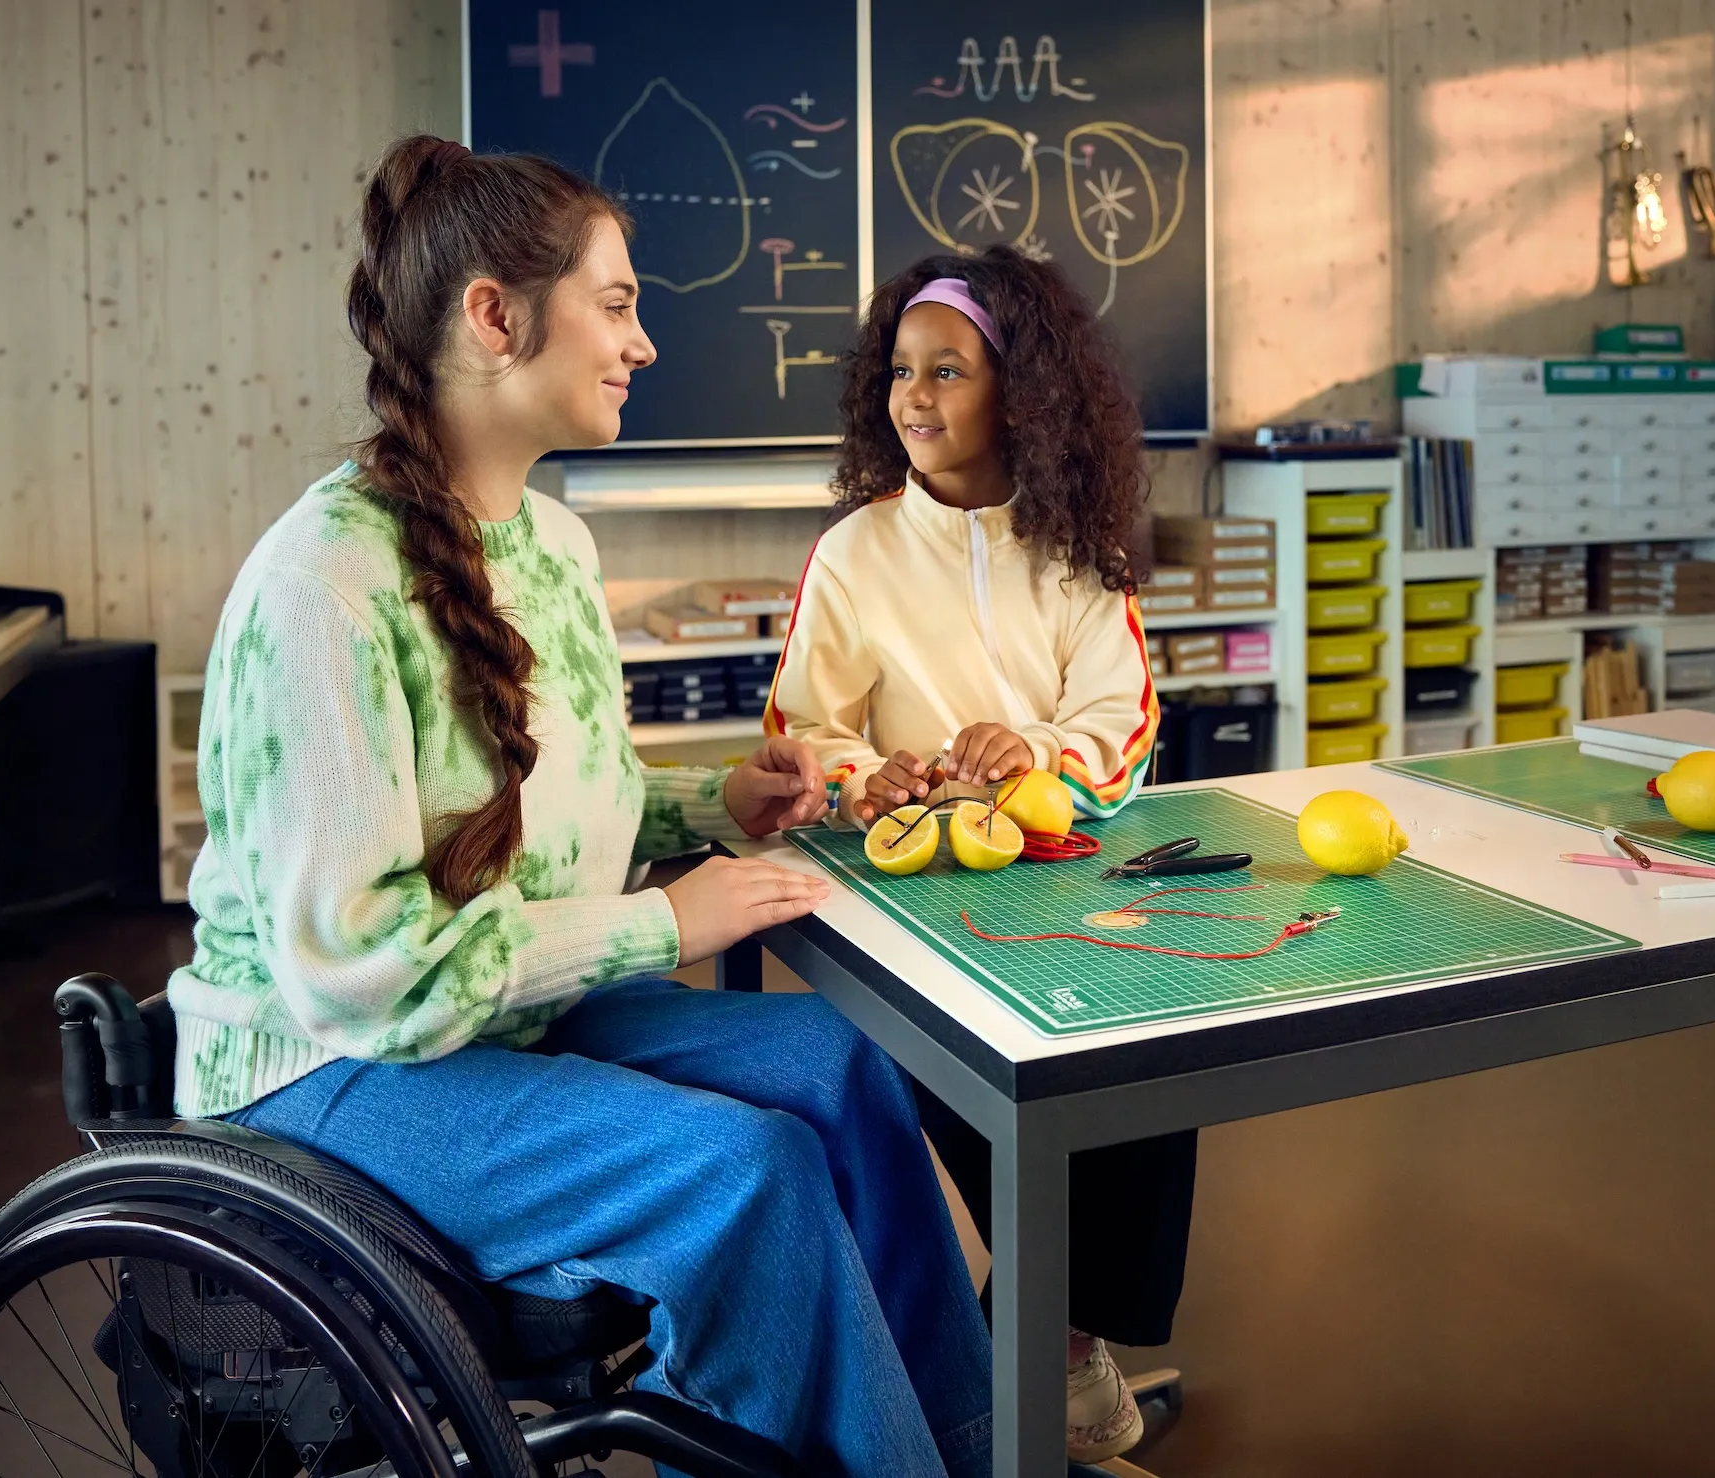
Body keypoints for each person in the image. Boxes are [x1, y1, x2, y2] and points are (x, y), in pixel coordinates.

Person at [168, 136, 993, 1477]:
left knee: (838, 1067)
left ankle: (975, 1444)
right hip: (327, 1065)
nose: (645, 344)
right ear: (495, 316)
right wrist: (667, 922)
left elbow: (548, 799)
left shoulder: (553, 544)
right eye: (616, 304)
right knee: (748, 1173)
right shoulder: (320, 584)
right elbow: (375, 981)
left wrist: (707, 800)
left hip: (498, 1006)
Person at [763, 246, 1194, 1465]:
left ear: (1025, 394)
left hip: (1072, 881)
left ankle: (1051, 1347)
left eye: (946, 370)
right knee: (996, 1099)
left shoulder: (1080, 554)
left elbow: (1125, 727)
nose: (913, 395)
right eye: (899, 370)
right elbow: (806, 727)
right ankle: (1045, 1372)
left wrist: (1036, 750)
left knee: (1151, 1076)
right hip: (919, 903)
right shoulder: (853, 553)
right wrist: (865, 775)